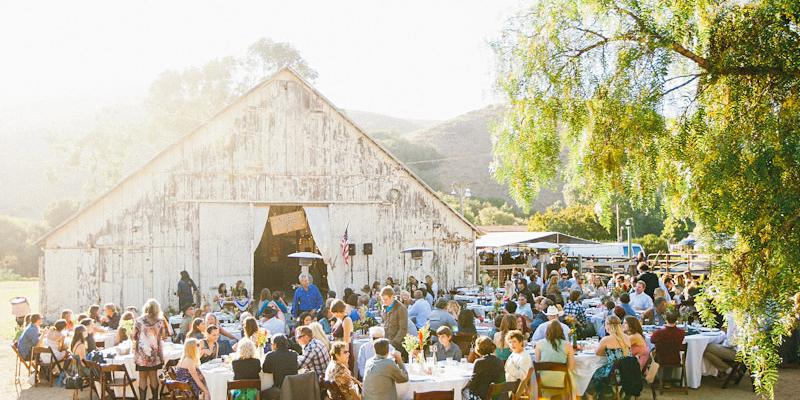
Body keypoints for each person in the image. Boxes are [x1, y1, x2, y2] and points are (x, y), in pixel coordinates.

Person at [586, 316, 631, 398]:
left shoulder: (606, 339)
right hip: (626, 372)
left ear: (608, 325)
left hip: (612, 374)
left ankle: (591, 395)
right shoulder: (627, 338)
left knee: (589, 374)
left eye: (605, 324)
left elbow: (598, 353)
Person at [133, 299, 166, 400]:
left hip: (142, 354)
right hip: (154, 353)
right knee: (153, 376)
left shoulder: (138, 321)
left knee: (142, 377)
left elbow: (133, 336)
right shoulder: (160, 322)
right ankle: (155, 398)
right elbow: (162, 338)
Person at [535, 319, 575, 397]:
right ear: (561, 331)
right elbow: (571, 367)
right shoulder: (567, 345)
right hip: (561, 379)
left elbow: (538, 363)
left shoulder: (539, 344)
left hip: (543, 380)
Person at [262, 334, 299, 400]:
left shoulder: (271, 356)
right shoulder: (294, 354)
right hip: (293, 387)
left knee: (261, 394)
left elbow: (265, 370)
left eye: (272, 344)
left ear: (275, 345)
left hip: (279, 389)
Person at [703, 313, 738, 379]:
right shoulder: (736, 315)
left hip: (736, 352)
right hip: (738, 349)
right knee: (707, 352)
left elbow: (731, 343)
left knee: (705, 347)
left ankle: (728, 370)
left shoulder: (733, 317)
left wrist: (723, 343)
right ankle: (728, 370)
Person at [379, 286, 408, 352]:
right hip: (386, 341)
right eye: (382, 299)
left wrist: (394, 342)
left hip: (397, 344)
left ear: (392, 297)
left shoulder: (401, 308)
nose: (384, 301)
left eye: (386, 299)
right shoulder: (384, 307)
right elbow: (384, 323)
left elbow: (403, 329)